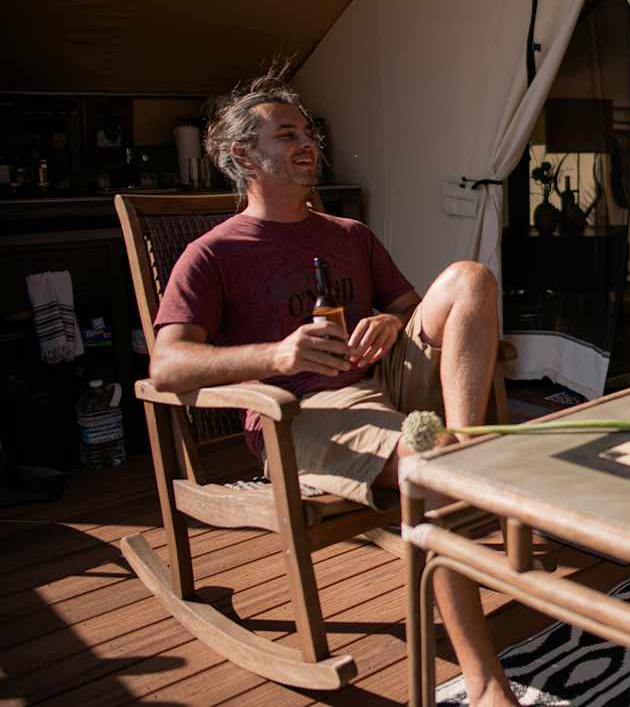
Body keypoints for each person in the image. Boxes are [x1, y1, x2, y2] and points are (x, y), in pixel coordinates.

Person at [148, 66, 517, 707]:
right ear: (244, 155)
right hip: (300, 410)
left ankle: (460, 444)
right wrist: (277, 352)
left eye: (308, 132)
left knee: (471, 275)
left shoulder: (350, 235)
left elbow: (413, 304)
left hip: (382, 380)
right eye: (286, 133)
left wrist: (390, 318)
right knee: (429, 475)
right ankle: (485, 684)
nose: (307, 143)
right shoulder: (212, 253)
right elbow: (166, 365)